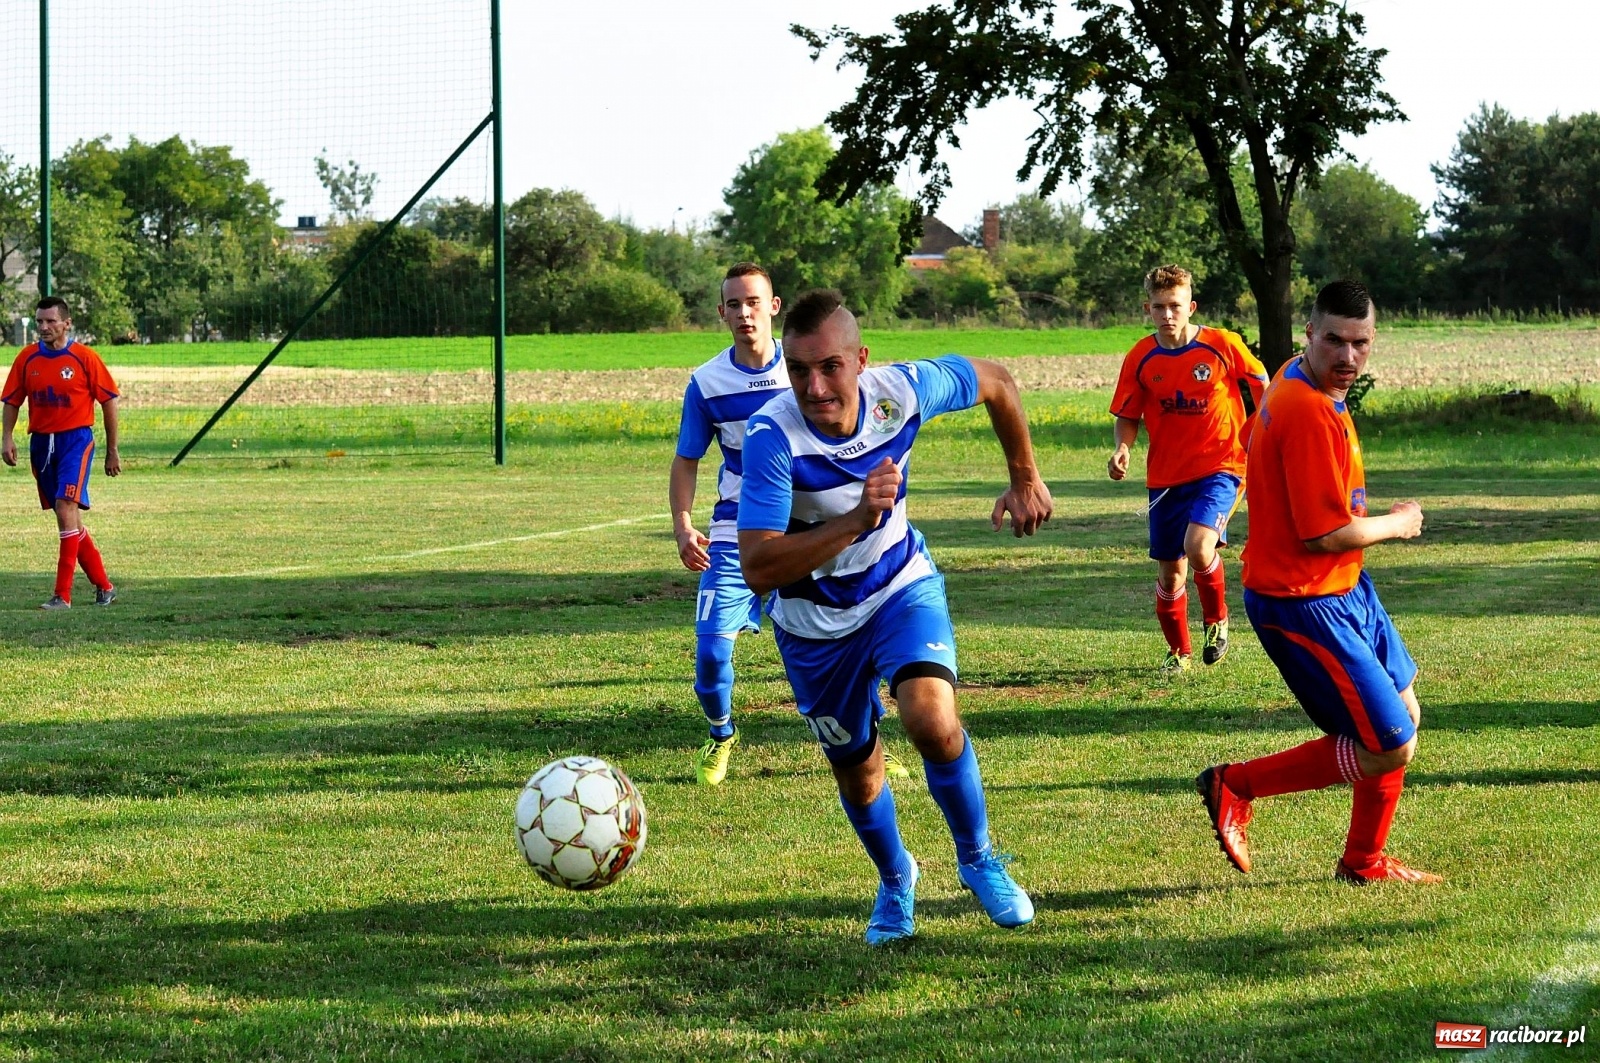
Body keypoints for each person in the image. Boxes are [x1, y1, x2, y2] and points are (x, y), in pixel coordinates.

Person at [737, 288, 1052, 944]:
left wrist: (1025, 476)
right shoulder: (771, 436)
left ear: (861, 359)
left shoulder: (900, 392)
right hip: (814, 623)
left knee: (931, 718)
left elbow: (995, 380)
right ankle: (896, 878)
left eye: (829, 366)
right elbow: (760, 567)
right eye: (798, 370)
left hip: (898, 587)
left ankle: (978, 857)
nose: (815, 386)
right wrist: (858, 518)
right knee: (859, 768)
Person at [1197, 280, 1440, 886]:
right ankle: (1236, 785)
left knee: (1404, 714)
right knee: (1389, 743)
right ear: (1310, 334)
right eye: (1334, 340)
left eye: (1361, 344)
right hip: (1302, 600)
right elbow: (1323, 535)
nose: (1349, 358)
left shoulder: (1296, 377)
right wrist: (1401, 523)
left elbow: (1255, 442)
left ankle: (1365, 862)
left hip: (1345, 588)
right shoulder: (1307, 408)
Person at [1108, 265, 1268, 673]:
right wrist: (1123, 448)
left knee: (1199, 547)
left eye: (1175, 306)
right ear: (1148, 308)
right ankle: (1179, 652)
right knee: (1171, 571)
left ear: (1191, 306)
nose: (1167, 315)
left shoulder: (1221, 344)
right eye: (1159, 307)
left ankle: (1217, 621)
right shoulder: (1140, 357)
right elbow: (1127, 414)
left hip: (1223, 466)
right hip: (1165, 478)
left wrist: (1258, 429)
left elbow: (1261, 380)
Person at [2, 296, 120, 609]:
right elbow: (12, 401)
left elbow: (109, 402)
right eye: (39, 321)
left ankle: (62, 596)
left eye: (50, 321)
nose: (44, 327)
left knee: (65, 504)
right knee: (68, 519)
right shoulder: (27, 359)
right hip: (41, 444)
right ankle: (105, 587)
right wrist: (7, 438)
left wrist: (113, 450)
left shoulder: (85, 358)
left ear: (67, 323)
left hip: (75, 441)